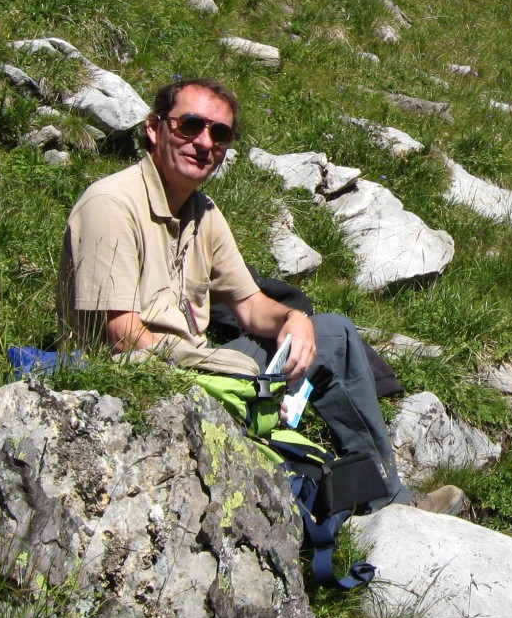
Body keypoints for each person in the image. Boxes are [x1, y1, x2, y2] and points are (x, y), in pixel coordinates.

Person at [57, 77, 463, 516]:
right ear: (155, 128)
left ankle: (390, 496)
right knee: (248, 369)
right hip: (130, 376)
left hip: (193, 362)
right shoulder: (112, 204)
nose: (204, 142)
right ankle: (326, 496)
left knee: (335, 334)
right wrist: (226, 367)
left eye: (220, 133)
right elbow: (122, 335)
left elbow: (249, 304)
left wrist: (294, 321)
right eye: (189, 126)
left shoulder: (202, 212)